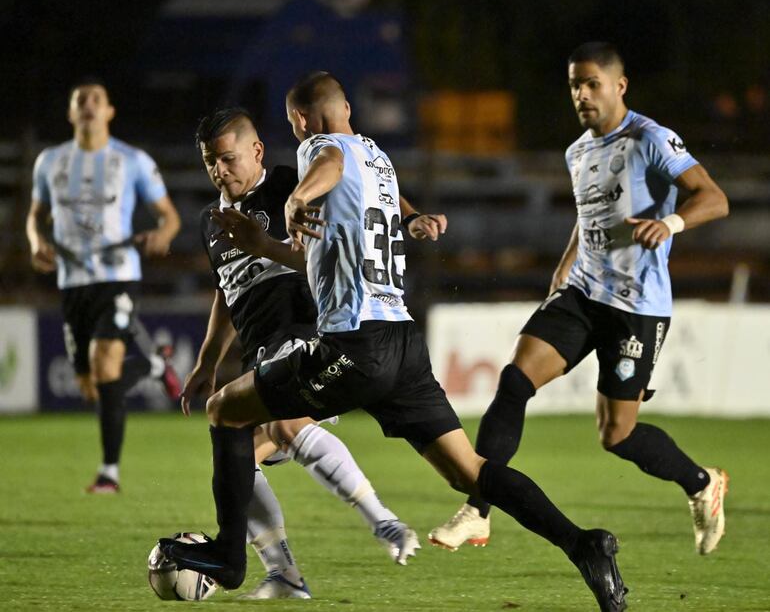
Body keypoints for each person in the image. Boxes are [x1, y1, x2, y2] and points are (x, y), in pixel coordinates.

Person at [159, 72, 628, 612]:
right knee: (467, 471)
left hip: (352, 345)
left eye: (294, 127)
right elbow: (329, 237)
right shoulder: (377, 158)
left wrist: (297, 199)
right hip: (403, 341)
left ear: (302, 121)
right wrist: (409, 218)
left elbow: (328, 161)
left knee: (226, 411)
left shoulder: (321, 150)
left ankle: (231, 557)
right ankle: (584, 544)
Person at [429, 42, 730, 557]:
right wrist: (563, 271)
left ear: (620, 86)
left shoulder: (650, 138)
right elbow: (588, 218)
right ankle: (477, 512)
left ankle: (702, 482)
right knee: (514, 380)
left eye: (592, 83)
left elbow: (714, 197)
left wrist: (670, 222)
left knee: (617, 435)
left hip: (636, 307)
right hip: (583, 292)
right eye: (575, 85)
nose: (582, 94)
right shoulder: (577, 152)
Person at [182, 106, 447, 598]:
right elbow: (226, 289)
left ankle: (384, 522)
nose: (220, 170)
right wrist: (207, 361)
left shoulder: (288, 182)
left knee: (284, 425)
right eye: (210, 162)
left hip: (305, 326)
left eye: (228, 158)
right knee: (240, 463)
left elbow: (364, 179)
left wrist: (410, 218)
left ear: (256, 151)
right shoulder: (210, 221)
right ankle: (284, 574)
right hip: (259, 347)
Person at [26, 78, 182, 493]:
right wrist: (37, 241)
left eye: (97, 99)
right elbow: (35, 215)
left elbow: (169, 216)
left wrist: (162, 235)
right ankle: (152, 365)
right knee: (93, 387)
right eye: (81, 100)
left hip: (118, 275)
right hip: (73, 280)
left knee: (105, 362)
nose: (89, 105)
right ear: (71, 113)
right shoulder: (51, 161)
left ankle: (109, 473)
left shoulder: (131, 161)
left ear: (110, 110)